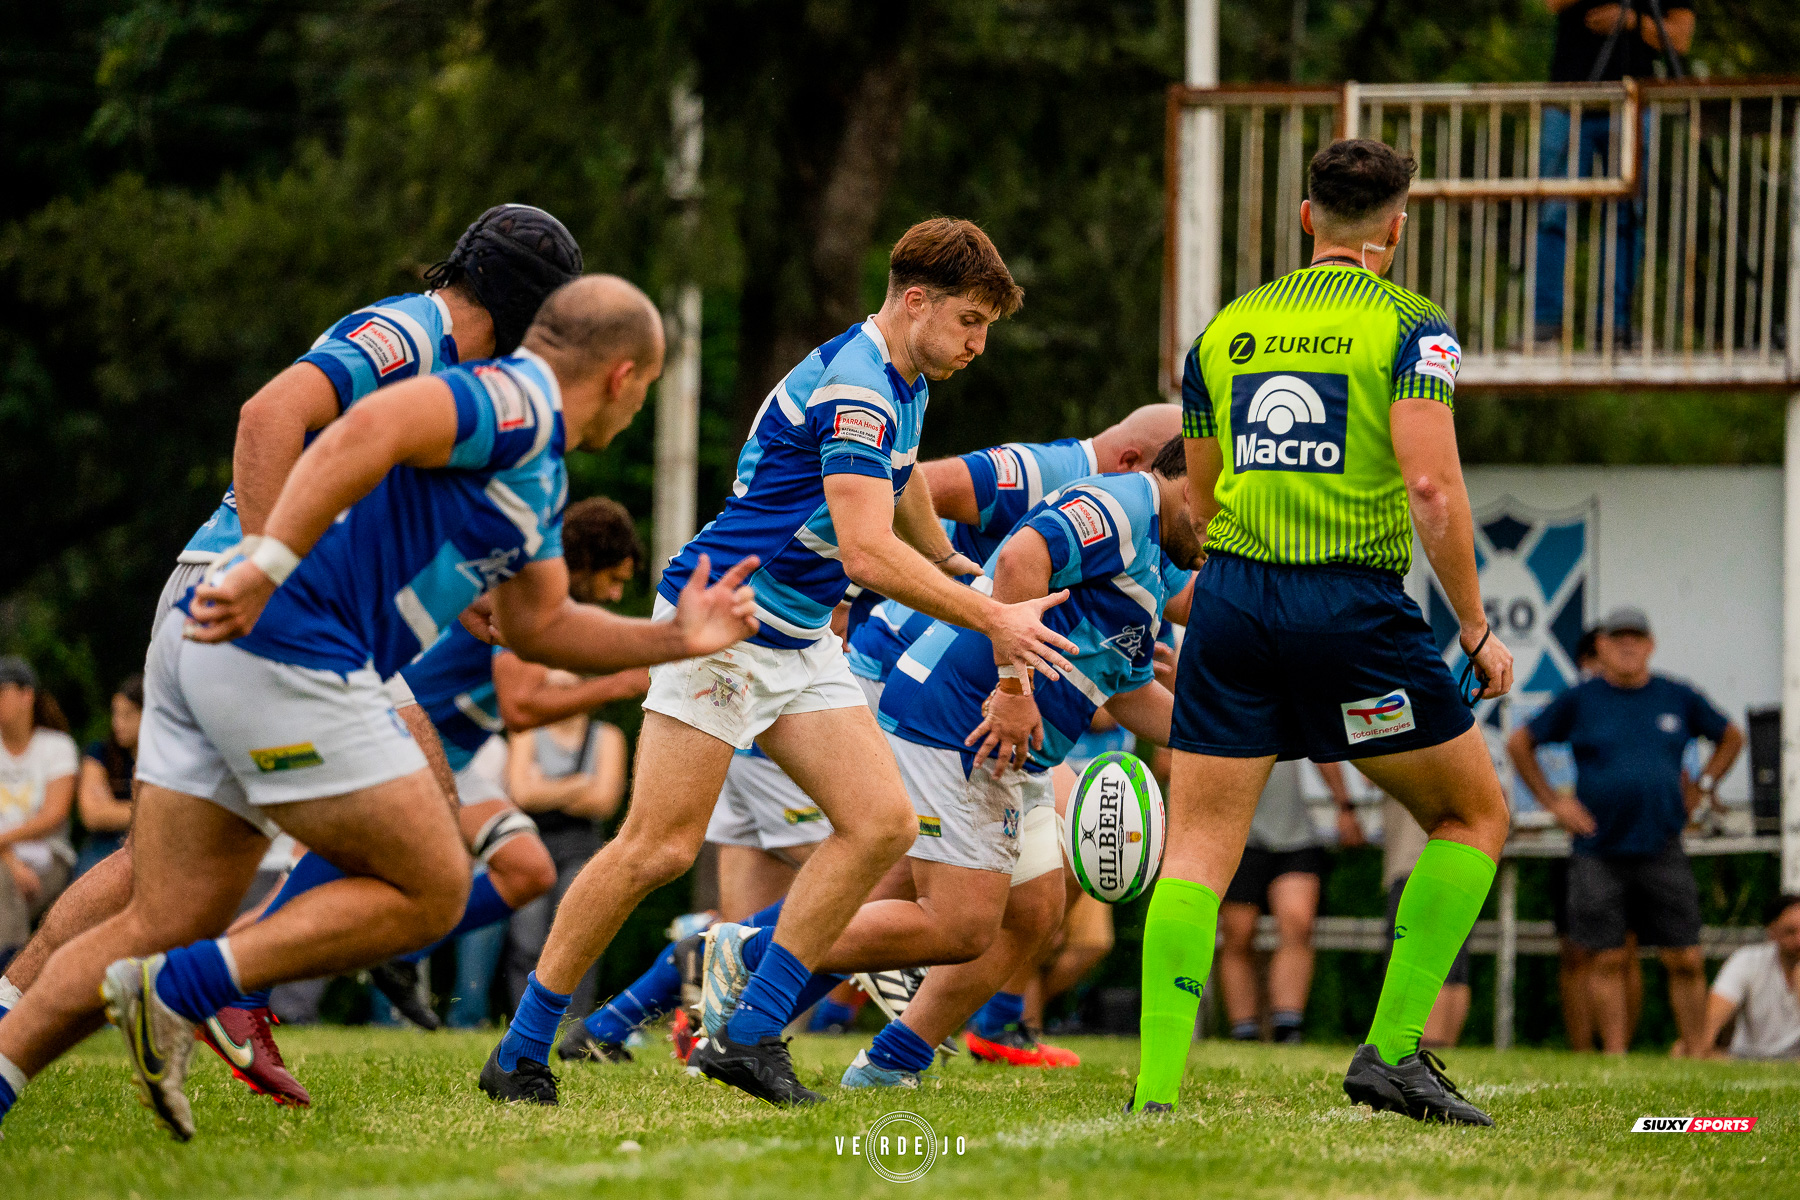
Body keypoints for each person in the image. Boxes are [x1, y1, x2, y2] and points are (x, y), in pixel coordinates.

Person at [0, 275, 761, 1142]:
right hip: (283, 646)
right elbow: (368, 427)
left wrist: (676, 640)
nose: (637, 407)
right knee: (436, 884)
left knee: (161, 914)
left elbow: (540, 624)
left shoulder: (538, 464)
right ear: (624, 377)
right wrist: (266, 559)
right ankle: (184, 988)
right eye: (649, 390)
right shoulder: (514, 401)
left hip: (228, 646)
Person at [480, 219, 1075, 1110]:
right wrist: (992, 611)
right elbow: (867, 555)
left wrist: (953, 564)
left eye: (986, 325)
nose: (978, 345)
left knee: (878, 826)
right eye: (971, 321)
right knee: (658, 850)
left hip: (796, 637)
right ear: (915, 302)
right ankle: (522, 1047)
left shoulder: (904, 377)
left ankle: (748, 1036)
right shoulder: (862, 389)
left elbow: (902, 481)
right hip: (721, 622)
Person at [0, 204, 586, 1100]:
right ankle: (239, 983)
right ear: (520, 311)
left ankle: (34, 1009)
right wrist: (269, 571)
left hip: (295, 616)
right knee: (422, 826)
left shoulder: (459, 373)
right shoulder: (408, 331)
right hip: (257, 607)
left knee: (161, 892)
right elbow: (267, 415)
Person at [1134, 137, 1515, 1126]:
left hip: (1233, 601)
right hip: (1349, 607)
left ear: (1307, 219)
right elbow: (1429, 485)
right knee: (1474, 816)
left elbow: (1207, 492)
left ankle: (1155, 1094)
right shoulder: (1413, 327)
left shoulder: (1224, 329)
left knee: (1200, 849)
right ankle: (1390, 1055)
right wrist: (1473, 626)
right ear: (1397, 227)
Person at [697, 441, 1198, 1091]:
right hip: (961, 722)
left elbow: (1127, 689)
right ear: (1191, 480)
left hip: (1007, 746)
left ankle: (889, 1062)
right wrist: (1014, 689)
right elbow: (1022, 557)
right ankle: (754, 952)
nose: (1223, 537)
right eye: (1225, 511)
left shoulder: (1153, 558)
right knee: (958, 926)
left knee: (1032, 916)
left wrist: (1230, 741)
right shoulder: (1125, 500)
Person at [363, 494, 653, 1030]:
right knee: (332, 879)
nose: (615, 596)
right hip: (406, 741)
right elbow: (520, 708)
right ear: (585, 563)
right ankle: (230, 982)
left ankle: (398, 950)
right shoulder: (538, 590)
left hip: (453, 752)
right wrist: (625, 683)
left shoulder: (555, 602)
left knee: (528, 871)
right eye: (613, 580)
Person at [1508, 605, 1744, 1057]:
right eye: (1618, 638)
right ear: (1600, 646)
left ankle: (1698, 1055)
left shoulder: (1677, 695)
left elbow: (1731, 736)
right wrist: (1554, 802)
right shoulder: (1581, 700)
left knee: (1687, 958)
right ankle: (1615, 1058)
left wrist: (1705, 785)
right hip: (1598, 847)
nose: (1628, 645)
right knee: (1607, 957)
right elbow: (1521, 742)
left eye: (1637, 637)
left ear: (1651, 645)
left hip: (1663, 843)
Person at [1536, 0, 1695, 346]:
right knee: (1552, 215)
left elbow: (1680, 39)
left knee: (1627, 216)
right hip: (1568, 101)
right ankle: (1545, 326)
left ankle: (1613, 326)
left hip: (1633, 103)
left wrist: (1631, 22)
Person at [502, 673, 629, 1019]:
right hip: (530, 841)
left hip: (583, 847)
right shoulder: (527, 731)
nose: (562, 695)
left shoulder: (608, 737)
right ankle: (524, 1019)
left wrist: (547, 788)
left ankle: (572, 1021)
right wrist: (579, 785)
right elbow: (522, 795)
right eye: (554, 688)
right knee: (527, 938)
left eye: (570, 687)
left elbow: (605, 802)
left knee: (579, 936)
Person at [1218, 760, 1357, 1045]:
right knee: (1238, 934)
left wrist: (1345, 806)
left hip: (1295, 834)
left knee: (1297, 922)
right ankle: (1244, 1034)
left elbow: (1323, 751)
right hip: (1237, 835)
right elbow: (1166, 762)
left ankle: (1287, 1031)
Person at [0, 659, 77, 968]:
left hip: (50, 859)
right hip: (6, 859)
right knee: (5, 881)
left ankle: (8, 981)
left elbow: (53, 815)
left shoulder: (57, 746)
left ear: (26, 695)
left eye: (1, 691)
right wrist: (9, 858)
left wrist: (2, 840)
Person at [1381, 796, 1471, 1048]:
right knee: (1453, 962)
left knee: (1420, 962)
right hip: (1463, 862)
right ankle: (1443, 1054)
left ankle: (1424, 1051)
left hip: (1418, 861)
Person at [1700, 894, 1800, 1060]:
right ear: (1772, 931)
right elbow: (1710, 1024)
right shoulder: (1747, 961)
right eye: (1790, 931)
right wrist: (1700, 1047)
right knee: (1685, 1047)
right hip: (1747, 1058)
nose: (1799, 940)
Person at [75, 676, 142, 878]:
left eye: (127, 715)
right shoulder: (99, 752)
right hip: (103, 846)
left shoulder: (165, 756)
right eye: (115, 714)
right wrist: (149, 812)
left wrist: (112, 810)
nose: (117, 723)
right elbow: (92, 815)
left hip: (151, 842)